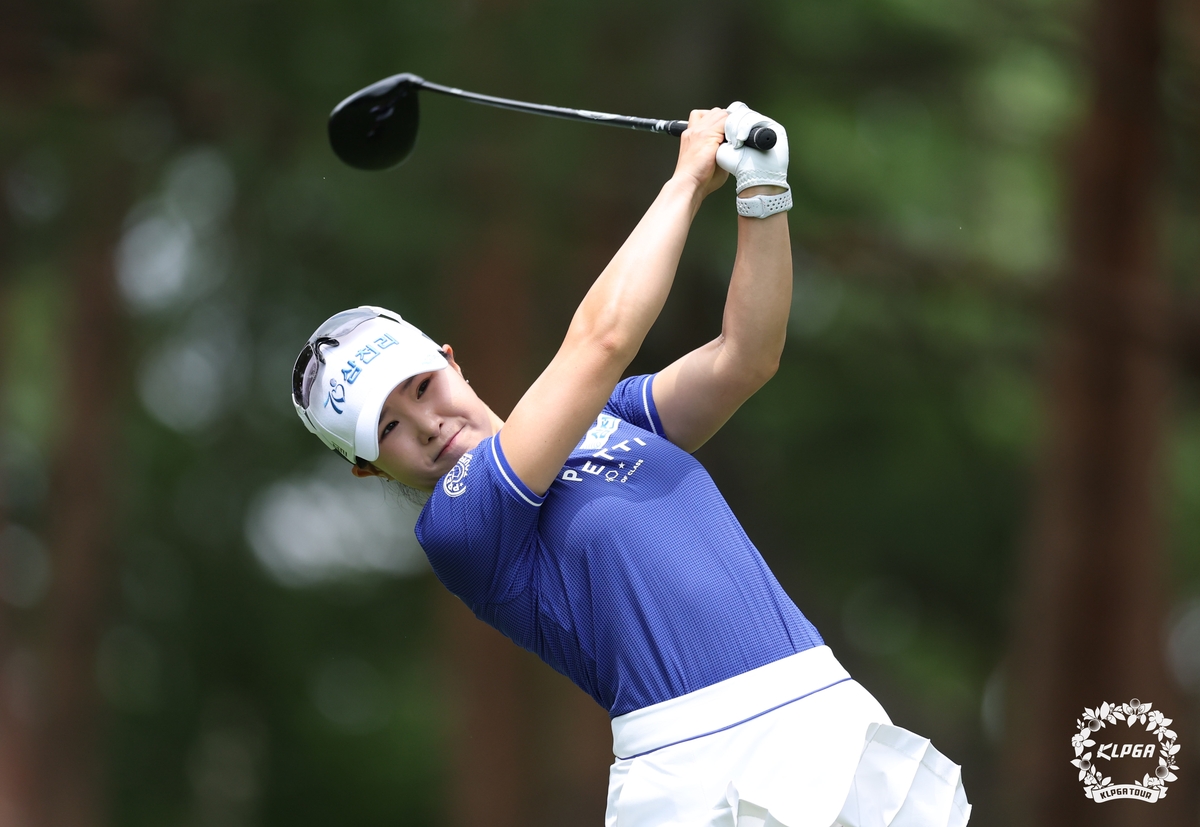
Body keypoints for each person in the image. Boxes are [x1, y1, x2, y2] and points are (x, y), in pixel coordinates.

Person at [291, 104, 971, 827]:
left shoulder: (609, 416)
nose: (428, 424)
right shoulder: (462, 525)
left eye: (424, 387)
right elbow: (601, 340)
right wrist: (687, 181)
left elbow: (745, 357)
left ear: (451, 361)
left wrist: (761, 193)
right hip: (702, 772)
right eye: (389, 428)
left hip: (819, 708)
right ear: (370, 468)